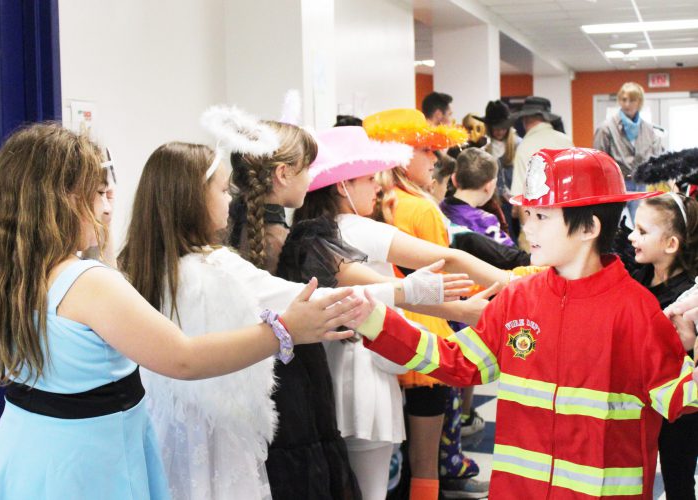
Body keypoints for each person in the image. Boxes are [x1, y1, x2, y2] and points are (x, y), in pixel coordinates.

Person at [0, 123, 363, 500]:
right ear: (63, 199)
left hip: (30, 447)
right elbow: (184, 358)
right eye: (98, 193)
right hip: (86, 461)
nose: (108, 206)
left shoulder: (20, 275)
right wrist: (284, 331)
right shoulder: (88, 282)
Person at [355, 147, 698, 499]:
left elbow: (683, 400)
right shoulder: (519, 298)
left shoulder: (637, 312)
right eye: (528, 213)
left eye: (542, 217)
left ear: (590, 227)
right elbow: (458, 362)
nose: (527, 226)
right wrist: (377, 322)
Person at [289, 125, 509, 499]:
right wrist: (518, 285)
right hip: (364, 377)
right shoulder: (356, 228)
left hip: (325, 378)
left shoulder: (308, 235)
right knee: (374, 487)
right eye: (369, 179)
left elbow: (390, 293)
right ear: (342, 186)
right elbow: (448, 259)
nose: (378, 186)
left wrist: (456, 306)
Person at [365, 108, 493, 500]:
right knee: (425, 463)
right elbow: (445, 277)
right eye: (426, 150)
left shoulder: (379, 204)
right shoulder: (420, 208)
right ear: (403, 154)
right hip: (426, 346)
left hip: (382, 337)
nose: (435, 160)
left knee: (392, 463)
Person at [628, 193, 698, 499]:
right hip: (641, 403)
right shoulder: (638, 275)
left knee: (678, 479)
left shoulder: (689, 297)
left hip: (681, 412)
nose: (632, 237)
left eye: (642, 232)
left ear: (671, 244)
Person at [509, 97, 574, 251]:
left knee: (538, 272)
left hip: (537, 221)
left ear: (525, 119)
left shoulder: (525, 147)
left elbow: (521, 197)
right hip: (565, 222)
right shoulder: (566, 142)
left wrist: (528, 234)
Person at [593, 82, 664, 219]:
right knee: (617, 228)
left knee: (642, 225)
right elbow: (598, 163)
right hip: (616, 186)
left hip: (642, 185)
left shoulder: (648, 129)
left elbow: (656, 158)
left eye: (632, 100)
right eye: (623, 99)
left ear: (639, 102)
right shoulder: (606, 128)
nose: (627, 104)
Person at [440, 148, 515, 248]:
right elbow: (512, 256)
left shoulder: (437, 208)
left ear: (454, 179)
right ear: (490, 186)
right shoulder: (485, 222)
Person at [476, 100, 520, 241]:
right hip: (492, 204)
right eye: (495, 128)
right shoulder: (483, 147)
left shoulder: (519, 145)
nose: (499, 131)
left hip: (516, 205)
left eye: (502, 127)